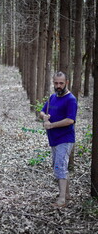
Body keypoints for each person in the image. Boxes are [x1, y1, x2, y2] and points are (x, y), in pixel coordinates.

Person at [40, 71, 77, 208]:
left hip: (65, 139)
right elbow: (42, 111)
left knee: (59, 167)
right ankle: (66, 194)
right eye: (56, 83)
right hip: (54, 139)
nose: (58, 85)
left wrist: (52, 125)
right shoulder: (52, 97)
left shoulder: (71, 99)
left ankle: (61, 200)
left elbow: (70, 120)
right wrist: (44, 117)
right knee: (60, 166)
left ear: (66, 82)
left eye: (61, 83)